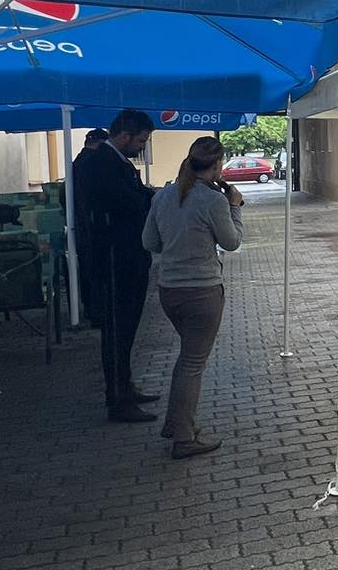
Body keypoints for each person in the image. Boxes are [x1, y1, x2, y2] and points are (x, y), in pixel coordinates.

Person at [142, 136, 242, 461]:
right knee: (192, 364)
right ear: (217, 166)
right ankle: (184, 438)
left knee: (187, 359)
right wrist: (234, 207)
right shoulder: (214, 201)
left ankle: (175, 423)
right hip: (202, 292)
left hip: (169, 290)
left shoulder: (163, 196)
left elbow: (149, 242)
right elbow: (231, 242)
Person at [73, 109, 157, 419]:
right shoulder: (98, 163)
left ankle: (125, 385)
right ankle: (118, 398)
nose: (142, 147)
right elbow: (125, 202)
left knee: (128, 327)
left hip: (128, 255)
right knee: (117, 330)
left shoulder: (116, 161)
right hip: (113, 258)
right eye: (141, 141)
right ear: (124, 135)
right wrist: (150, 200)